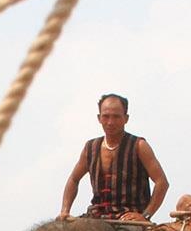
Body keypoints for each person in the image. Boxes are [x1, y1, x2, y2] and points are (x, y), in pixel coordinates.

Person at [59, 93, 168, 221]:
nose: (110, 122)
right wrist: (65, 211)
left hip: (127, 220)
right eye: (106, 116)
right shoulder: (90, 148)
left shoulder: (139, 146)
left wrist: (145, 215)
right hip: (96, 217)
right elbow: (73, 179)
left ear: (126, 118)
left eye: (116, 117)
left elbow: (162, 182)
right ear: (99, 118)